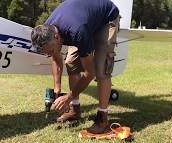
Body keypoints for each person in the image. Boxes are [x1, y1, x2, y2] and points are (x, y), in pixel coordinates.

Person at [31, 0, 120, 134]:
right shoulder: (48, 28)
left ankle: (102, 118)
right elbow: (55, 57)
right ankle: (75, 109)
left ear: (57, 37)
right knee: (71, 63)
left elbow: (89, 73)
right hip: (83, 20)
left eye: (50, 50)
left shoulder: (77, 32)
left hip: (106, 19)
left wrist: (68, 97)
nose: (50, 54)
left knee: (101, 70)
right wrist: (57, 88)